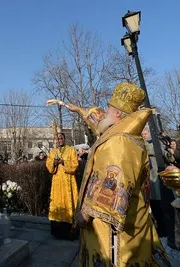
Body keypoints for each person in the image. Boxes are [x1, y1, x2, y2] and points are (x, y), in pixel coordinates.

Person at [66, 82, 171, 266]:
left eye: (108, 107)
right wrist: (80, 110)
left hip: (114, 234)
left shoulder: (120, 142)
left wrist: (86, 213)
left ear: (118, 114)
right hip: (134, 223)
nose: (104, 110)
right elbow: (99, 123)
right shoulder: (121, 133)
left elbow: (113, 185)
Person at [46, 133, 79, 240]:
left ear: (64, 139)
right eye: (57, 138)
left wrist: (63, 162)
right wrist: (54, 163)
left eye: (61, 138)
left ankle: (70, 232)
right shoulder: (53, 152)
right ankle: (58, 233)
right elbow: (48, 165)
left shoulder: (71, 150)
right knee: (57, 203)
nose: (59, 140)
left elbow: (75, 165)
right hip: (57, 183)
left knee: (69, 204)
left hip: (68, 182)